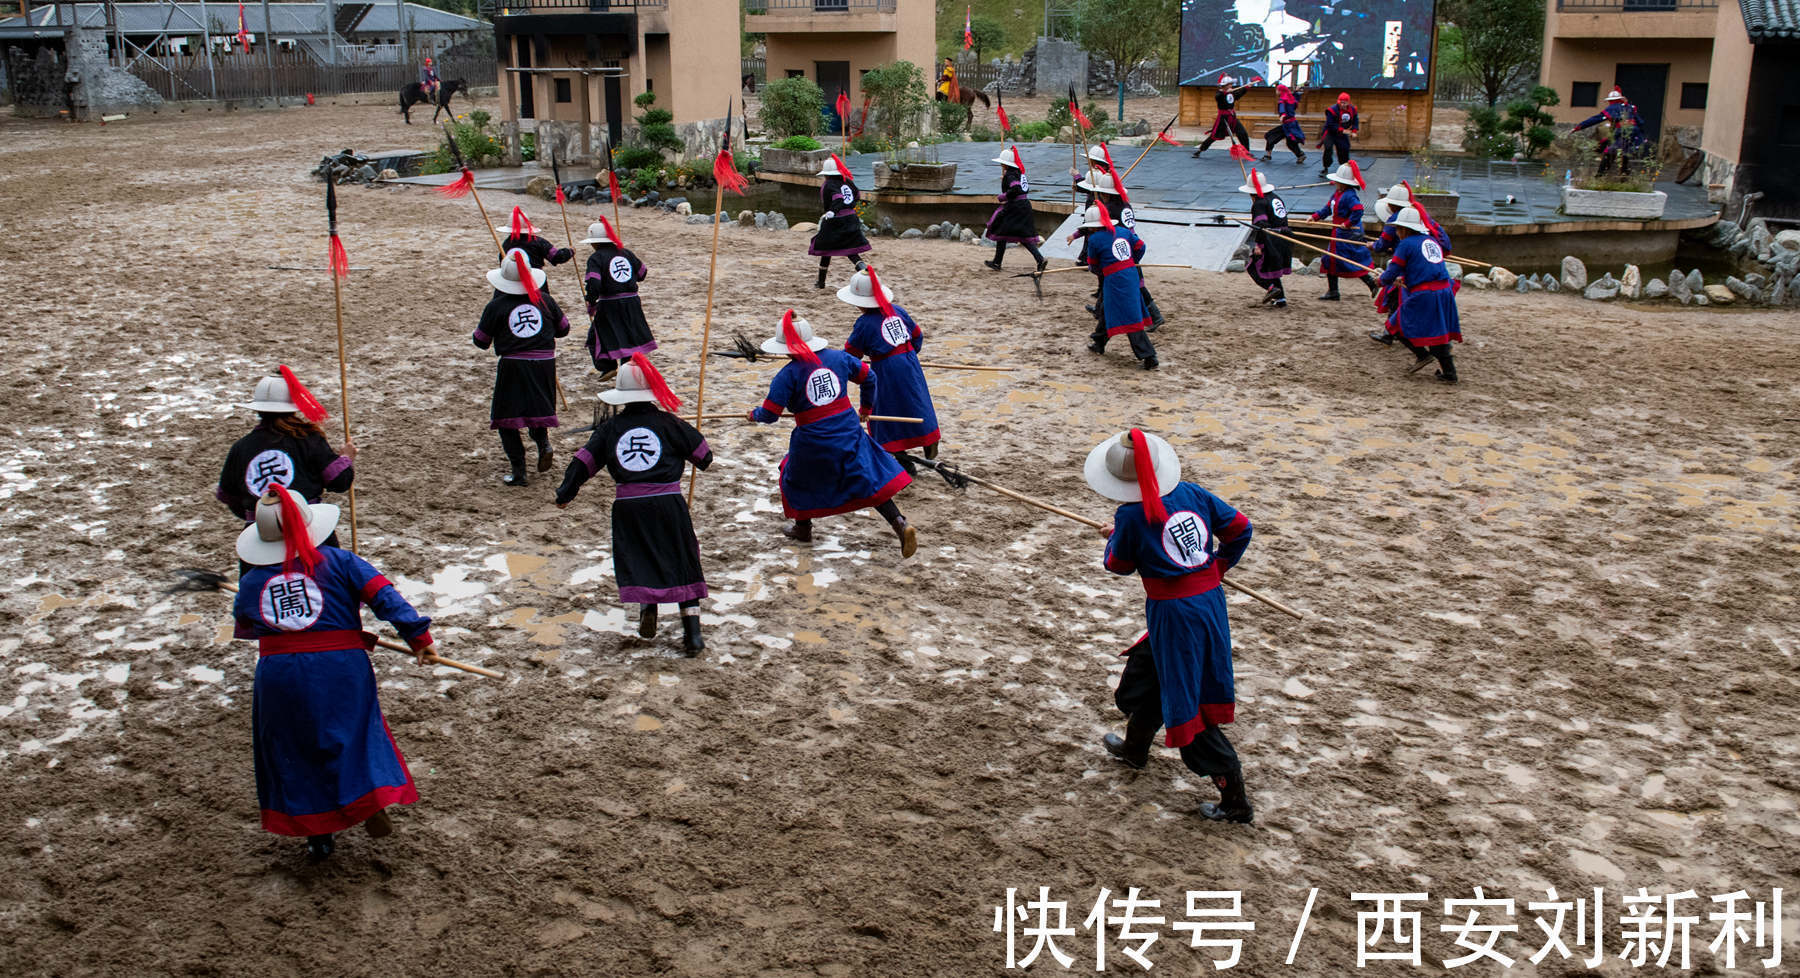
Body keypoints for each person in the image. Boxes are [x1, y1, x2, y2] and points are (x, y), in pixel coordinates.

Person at [232, 485, 436, 861]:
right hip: (342, 668)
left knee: (295, 747)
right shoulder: (342, 561)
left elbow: (246, 626)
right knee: (352, 736)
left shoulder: (250, 583)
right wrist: (417, 637)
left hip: (280, 675)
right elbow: (386, 597)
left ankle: (319, 835)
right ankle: (370, 802)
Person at [1087, 429, 1254, 823]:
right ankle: (1135, 749)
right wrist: (1216, 565)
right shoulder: (1193, 493)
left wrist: (1114, 540)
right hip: (1205, 603)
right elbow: (1240, 529)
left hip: (1177, 615)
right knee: (1150, 673)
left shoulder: (1129, 514)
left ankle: (1235, 800)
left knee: (1188, 700)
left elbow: (1118, 565)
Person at [556, 355, 712, 653]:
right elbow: (704, 456)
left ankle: (647, 609)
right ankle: (693, 636)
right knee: (681, 560)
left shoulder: (610, 429)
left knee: (640, 557)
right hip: (668, 503)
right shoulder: (669, 423)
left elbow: (583, 462)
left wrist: (565, 493)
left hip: (629, 507)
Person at [745, 311, 917, 556]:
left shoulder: (786, 375)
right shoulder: (839, 358)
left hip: (813, 440)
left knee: (792, 475)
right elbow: (870, 378)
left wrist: (753, 415)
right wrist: (866, 409)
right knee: (869, 480)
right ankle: (899, 523)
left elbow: (770, 414)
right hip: (848, 431)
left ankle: (802, 528)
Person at [218, 368, 355, 540]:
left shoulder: (240, 447)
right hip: (309, 532)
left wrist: (265, 516)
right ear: (293, 408)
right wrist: (346, 459)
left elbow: (231, 499)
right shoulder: (308, 438)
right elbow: (339, 481)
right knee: (332, 565)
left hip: (260, 535)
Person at [474, 248, 568, 486]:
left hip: (513, 365)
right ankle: (543, 443)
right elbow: (564, 328)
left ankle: (519, 471)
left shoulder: (495, 306)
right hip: (545, 364)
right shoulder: (546, 301)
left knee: (507, 418)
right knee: (537, 411)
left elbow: (481, 341)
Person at [838, 267, 941, 462]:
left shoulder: (864, 323)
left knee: (884, 408)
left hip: (886, 368)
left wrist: (836, 366)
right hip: (910, 361)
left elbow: (851, 356)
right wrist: (908, 356)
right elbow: (917, 336)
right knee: (917, 401)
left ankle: (900, 455)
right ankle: (929, 440)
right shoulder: (898, 310)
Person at [1377, 207, 1462, 383]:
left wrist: (1381, 280)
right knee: (1437, 331)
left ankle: (1423, 355)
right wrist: (1403, 278)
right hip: (1443, 290)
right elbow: (1422, 267)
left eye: (1399, 229)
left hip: (1426, 294)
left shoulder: (1405, 244)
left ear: (1404, 229)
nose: (1397, 232)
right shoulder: (1431, 240)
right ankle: (1449, 373)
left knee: (1396, 325)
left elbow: (1393, 270)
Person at [1077, 169, 1165, 329]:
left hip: (1121, 248)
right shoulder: (1124, 204)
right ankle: (1099, 311)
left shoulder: (1111, 209)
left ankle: (1155, 315)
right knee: (1110, 282)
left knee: (1137, 286)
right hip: (1127, 246)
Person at [1077, 202, 1158, 370]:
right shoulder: (1123, 231)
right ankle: (1099, 341)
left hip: (1115, 279)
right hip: (1130, 275)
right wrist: (1131, 261)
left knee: (1129, 315)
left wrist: (1105, 270)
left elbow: (1093, 265)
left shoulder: (1094, 239)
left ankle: (1149, 355)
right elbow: (1140, 246)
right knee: (1108, 308)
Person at [1370, 183, 1453, 347]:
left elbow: (1383, 246)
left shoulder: (1403, 235)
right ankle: (1391, 333)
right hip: (1439, 276)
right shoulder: (1423, 226)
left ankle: (1393, 332)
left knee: (1401, 300)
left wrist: (1380, 278)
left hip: (1419, 278)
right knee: (1398, 295)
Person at [577, 218, 656, 377]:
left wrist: (591, 301)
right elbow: (642, 273)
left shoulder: (596, 258)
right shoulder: (626, 253)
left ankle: (608, 367)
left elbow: (594, 283)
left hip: (609, 304)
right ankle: (628, 370)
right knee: (628, 336)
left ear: (595, 243)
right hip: (632, 303)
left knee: (596, 336)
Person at [1311, 162, 1377, 302]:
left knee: (1347, 259)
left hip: (1347, 232)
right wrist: (1315, 217)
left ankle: (1369, 283)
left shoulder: (1349, 195)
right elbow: (1328, 208)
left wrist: (1347, 224)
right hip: (1339, 230)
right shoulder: (1337, 194)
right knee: (1332, 259)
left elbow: (1358, 210)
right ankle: (1334, 291)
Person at [982, 146, 1048, 272]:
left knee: (1006, 231)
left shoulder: (1011, 175)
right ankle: (997, 261)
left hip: (1015, 207)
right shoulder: (1017, 173)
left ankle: (1039, 259)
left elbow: (1016, 189)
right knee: (1007, 233)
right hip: (1023, 206)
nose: (1001, 165)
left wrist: (1004, 196)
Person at [810, 154, 871, 289]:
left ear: (826, 173)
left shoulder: (829, 184)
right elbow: (857, 195)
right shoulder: (847, 181)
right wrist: (850, 207)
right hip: (852, 219)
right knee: (850, 250)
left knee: (825, 248)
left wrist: (833, 211)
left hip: (836, 221)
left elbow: (837, 198)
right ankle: (865, 272)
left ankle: (821, 282)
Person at [1239, 169, 1293, 309]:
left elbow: (1261, 226)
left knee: (1253, 267)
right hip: (1284, 236)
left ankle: (1271, 289)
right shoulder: (1275, 197)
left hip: (1271, 239)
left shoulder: (1259, 204)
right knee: (1272, 269)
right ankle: (1280, 299)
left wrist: (1258, 244)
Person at [1573, 87, 1649, 176]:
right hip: (1634, 135)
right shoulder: (1630, 107)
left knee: (1610, 152)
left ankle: (1600, 176)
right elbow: (1640, 122)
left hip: (1623, 134)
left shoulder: (1613, 108)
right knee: (1624, 153)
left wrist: (1578, 127)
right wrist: (1642, 136)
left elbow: (1595, 119)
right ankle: (1623, 177)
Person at [1191, 75, 1251, 157]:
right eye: (1229, 84)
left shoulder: (1232, 93)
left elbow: (1239, 93)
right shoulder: (1219, 93)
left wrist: (1247, 87)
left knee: (1242, 133)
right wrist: (1225, 92)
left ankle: (1246, 151)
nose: (1231, 85)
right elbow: (1218, 97)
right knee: (1214, 136)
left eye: (1231, 84)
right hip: (1224, 118)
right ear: (1224, 85)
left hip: (1232, 117)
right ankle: (1200, 150)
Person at [500, 206, 574, 270]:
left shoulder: (506, 244)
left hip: (511, 282)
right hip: (536, 280)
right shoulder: (539, 242)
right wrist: (570, 251)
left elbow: (503, 264)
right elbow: (556, 256)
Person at [1261, 83, 1307, 164]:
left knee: (1271, 136)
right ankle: (1300, 155)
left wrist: (1282, 115)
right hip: (1291, 124)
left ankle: (1268, 155)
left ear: (1280, 91)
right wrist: (1296, 92)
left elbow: (1282, 108)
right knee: (1288, 141)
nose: (1276, 91)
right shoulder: (1290, 98)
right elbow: (1295, 100)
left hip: (1288, 125)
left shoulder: (1282, 99)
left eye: (1277, 90)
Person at [1317, 92, 1358, 177]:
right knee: (1328, 148)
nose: (1342, 104)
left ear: (1348, 102)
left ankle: (1344, 168)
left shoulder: (1352, 110)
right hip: (1330, 132)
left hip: (1342, 133)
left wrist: (1354, 130)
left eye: (1344, 102)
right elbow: (1330, 124)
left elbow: (1355, 121)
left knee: (1344, 148)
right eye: (1341, 102)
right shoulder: (1332, 110)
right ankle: (1326, 167)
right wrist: (1342, 130)